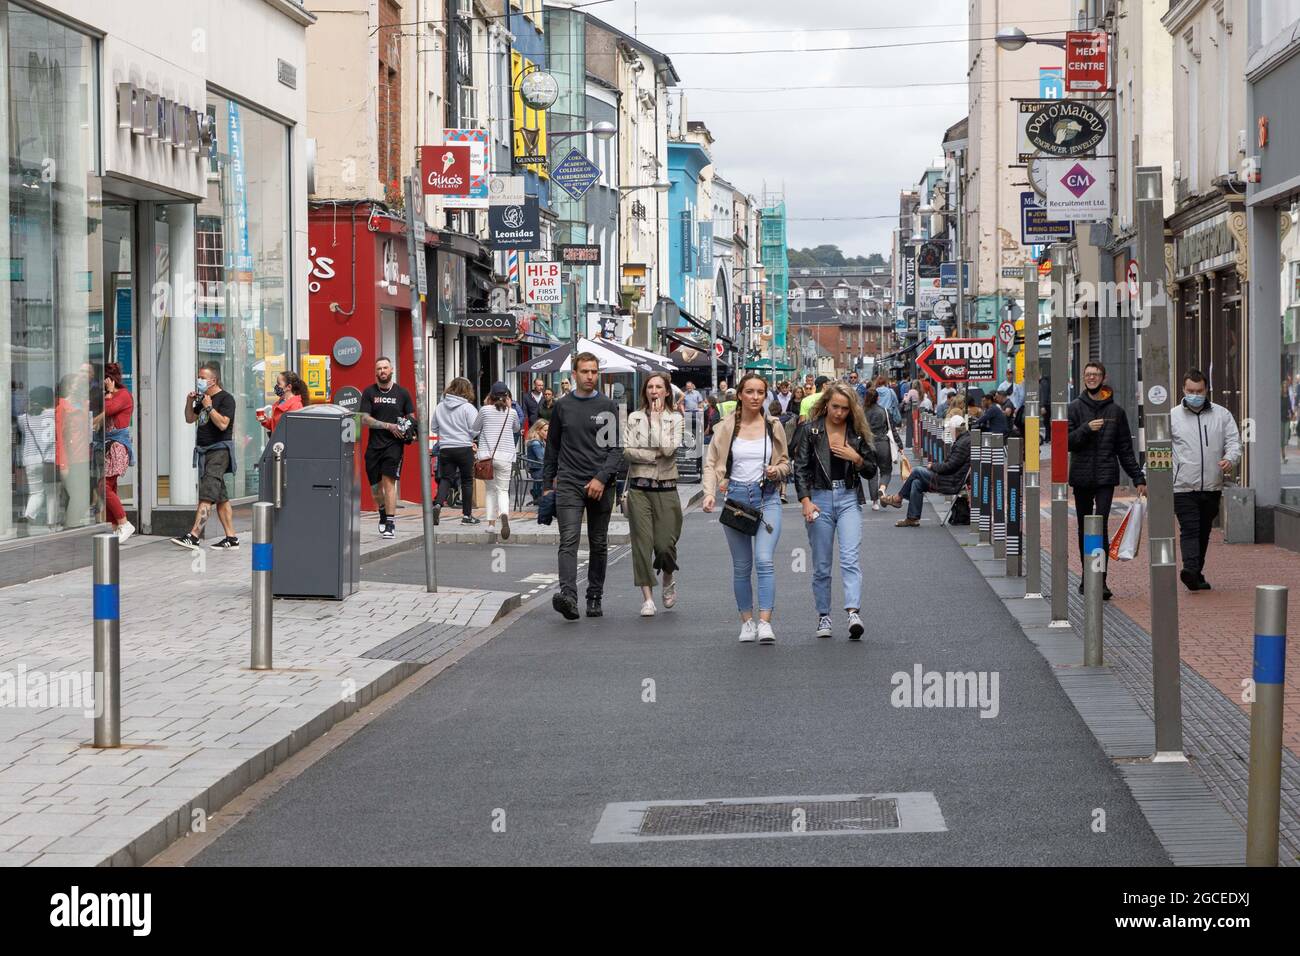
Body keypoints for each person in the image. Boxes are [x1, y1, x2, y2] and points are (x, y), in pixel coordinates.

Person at [702, 373, 790, 645]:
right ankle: (747, 622)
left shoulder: (774, 426)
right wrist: (708, 493)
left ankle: (765, 623)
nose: (754, 397)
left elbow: (787, 463)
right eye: (749, 391)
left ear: (765, 396)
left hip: (767, 497)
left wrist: (777, 470)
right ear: (739, 394)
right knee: (742, 566)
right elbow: (711, 462)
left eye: (760, 392)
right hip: (737, 498)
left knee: (764, 560)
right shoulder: (726, 427)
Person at [543, 353, 623, 621]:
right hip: (569, 482)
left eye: (594, 371)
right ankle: (568, 597)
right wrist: (546, 485)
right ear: (574, 375)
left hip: (601, 483)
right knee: (568, 541)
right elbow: (552, 446)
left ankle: (594, 596)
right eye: (585, 371)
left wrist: (601, 478)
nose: (590, 376)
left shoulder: (607, 406)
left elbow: (615, 450)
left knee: (599, 542)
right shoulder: (562, 407)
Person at [794, 383, 877, 640]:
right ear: (826, 404)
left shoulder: (857, 433)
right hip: (819, 498)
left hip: (849, 497)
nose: (839, 413)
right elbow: (801, 468)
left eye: (844, 408)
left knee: (850, 558)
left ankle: (853, 612)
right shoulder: (810, 430)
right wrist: (805, 501)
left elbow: (872, 469)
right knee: (821, 564)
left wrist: (857, 458)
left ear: (851, 410)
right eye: (835, 407)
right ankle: (824, 615)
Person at [1067, 361, 1146, 600]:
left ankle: (1100, 580)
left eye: (1096, 374)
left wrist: (1137, 477)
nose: (1092, 378)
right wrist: (1086, 429)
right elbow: (1068, 442)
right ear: (1083, 377)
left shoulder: (1116, 412)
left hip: (1105, 477)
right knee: (1084, 527)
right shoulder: (1074, 408)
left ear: (1104, 377)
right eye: (1088, 374)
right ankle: (1086, 576)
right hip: (1081, 476)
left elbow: (1124, 448)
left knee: (1099, 526)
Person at [1171, 369, 1241, 591]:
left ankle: (1196, 573)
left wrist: (1230, 459)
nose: (1194, 394)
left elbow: (1234, 442)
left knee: (1203, 531)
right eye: (1190, 391)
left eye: (1199, 391)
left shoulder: (1222, 415)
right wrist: (1146, 476)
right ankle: (1190, 569)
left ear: (1206, 389)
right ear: (1183, 389)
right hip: (1182, 485)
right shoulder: (1172, 417)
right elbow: (1158, 448)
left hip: (1212, 484)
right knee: (1190, 528)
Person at [625, 372, 684, 617]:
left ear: (667, 392)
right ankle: (647, 598)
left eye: (659, 387)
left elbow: (669, 450)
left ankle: (668, 576)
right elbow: (628, 451)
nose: (654, 391)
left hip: (667, 488)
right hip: (639, 488)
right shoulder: (634, 417)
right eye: (650, 387)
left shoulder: (676, 419)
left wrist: (658, 421)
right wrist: (652, 455)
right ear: (645, 391)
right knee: (642, 544)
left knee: (664, 546)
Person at [171, 361, 239, 550]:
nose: (198, 380)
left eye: (202, 377)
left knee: (207, 494)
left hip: (219, 450)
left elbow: (224, 424)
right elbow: (189, 419)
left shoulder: (226, 399)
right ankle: (232, 538)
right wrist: (189, 402)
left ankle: (194, 535)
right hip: (205, 451)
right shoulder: (202, 399)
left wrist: (209, 407)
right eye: (198, 377)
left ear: (213, 380)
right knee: (221, 497)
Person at [357, 357, 416, 540]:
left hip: (394, 446)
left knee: (389, 483)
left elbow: (412, 416)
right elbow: (364, 418)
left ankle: (390, 523)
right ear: (376, 372)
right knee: (376, 489)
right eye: (379, 369)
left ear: (391, 370)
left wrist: (408, 427)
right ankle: (382, 511)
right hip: (374, 447)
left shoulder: (402, 393)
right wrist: (388, 426)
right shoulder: (369, 393)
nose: (382, 371)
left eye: (385, 368)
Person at [882, 416, 972, 527]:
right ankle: (912, 518)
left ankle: (898, 498)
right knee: (916, 483)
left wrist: (933, 466)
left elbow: (950, 466)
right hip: (951, 478)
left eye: (951, 430)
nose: (949, 432)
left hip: (950, 481)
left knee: (917, 471)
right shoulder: (964, 440)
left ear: (956, 430)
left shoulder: (962, 443)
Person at [474, 381, 522, 541]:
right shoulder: (512, 412)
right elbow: (516, 429)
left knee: (490, 490)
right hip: (506, 456)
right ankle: (505, 515)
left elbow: (475, 428)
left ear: (491, 396)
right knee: (503, 490)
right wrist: (509, 406)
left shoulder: (485, 410)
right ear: (507, 396)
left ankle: (491, 524)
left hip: (487, 456)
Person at [94, 363, 135, 542]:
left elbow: (109, 409)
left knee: (104, 486)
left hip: (118, 445)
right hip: (110, 444)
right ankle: (116, 526)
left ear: (109, 379)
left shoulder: (123, 395)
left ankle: (124, 523)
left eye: (102, 380)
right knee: (110, 486)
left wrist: (109, 393)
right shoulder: (111, 395)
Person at [431, 377, 481, 527]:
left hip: (446, 448)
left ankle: (438, 504)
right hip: (464, 448)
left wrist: (446, 433)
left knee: (446, 478)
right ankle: (467, 515)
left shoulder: (440, 406)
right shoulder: (468, 408)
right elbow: (475, 429)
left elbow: (434, 428)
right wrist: (469, 436)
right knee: (466, 481)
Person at [17, 386, 55, 528]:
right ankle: (52, 523)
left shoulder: (24, 418)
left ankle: (28, 515)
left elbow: (22, 430)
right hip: (49, 459)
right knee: (52, 494)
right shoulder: (54, 414)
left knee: (36, 492)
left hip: (30, 459)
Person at [861, 386, 894, 510]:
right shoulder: (884, 411)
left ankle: (875, 502)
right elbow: (892, 428)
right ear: (878, 398)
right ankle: (882, 488)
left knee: (872, 473)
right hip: (883, 443)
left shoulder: (862, 412)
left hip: (869, 443)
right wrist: (900, 446)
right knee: (886, 471)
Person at [525, 420, 549, 505]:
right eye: (545, 431)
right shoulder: (536, 443)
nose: (547, 433)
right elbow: (541, 458)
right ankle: (540, 496)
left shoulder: (541, 441)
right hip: (537, 470)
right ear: (538, 430)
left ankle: (537, 494)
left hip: (539, 468)